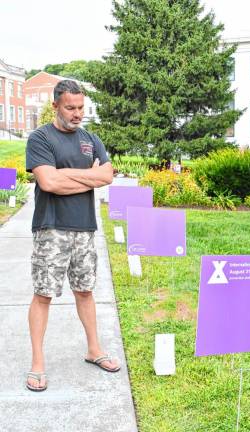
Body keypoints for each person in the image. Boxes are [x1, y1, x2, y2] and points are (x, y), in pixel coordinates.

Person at [25, 80, 120, 392]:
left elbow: (107, 175)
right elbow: (49, 184)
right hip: (51, 228)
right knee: (44, 294)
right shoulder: (41, 138)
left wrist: (65, 174)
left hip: (84, 228)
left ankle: (94, 349)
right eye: (70, 107)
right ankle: (38, 363)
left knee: (85, 291)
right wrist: (89, 178)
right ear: (56, 106)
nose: (78, 113)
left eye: (81, 107)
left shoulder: (90, 139)